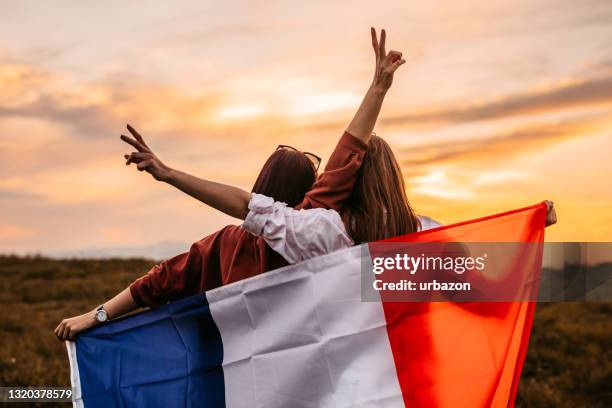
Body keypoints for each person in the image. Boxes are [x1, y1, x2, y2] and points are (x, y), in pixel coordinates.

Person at [55, 27, 406, 341]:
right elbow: (346, 162)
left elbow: (158, 281)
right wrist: (377, 89)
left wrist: (97, 315)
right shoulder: (321, 228)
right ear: (307, 192)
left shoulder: (237, 243)